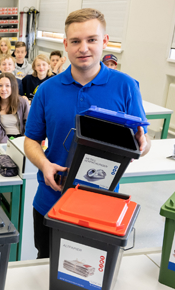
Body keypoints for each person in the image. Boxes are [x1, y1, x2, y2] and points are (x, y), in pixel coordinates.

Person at [24, 8, 151, 259]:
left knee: (90, 268)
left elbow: (143, 144)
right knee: (46, 265)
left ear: (104, 41)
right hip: (51, 200)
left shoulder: (126, 86)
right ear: (65, 44)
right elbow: (31, 141)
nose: (84, 48)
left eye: (92, 39)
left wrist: (142, 145)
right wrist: (44, 164)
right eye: (75, 41)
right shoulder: (46, 90)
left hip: (101, 204)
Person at [0, 73, 30, 144]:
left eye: (7, 86)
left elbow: (29, 125)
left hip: (22, 140)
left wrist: (23, 142)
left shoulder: (23, 103)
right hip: (2, 142)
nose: (3, 89)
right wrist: (10, 145)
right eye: (0, 85)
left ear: (13, 87)